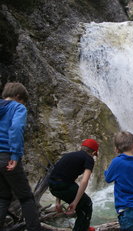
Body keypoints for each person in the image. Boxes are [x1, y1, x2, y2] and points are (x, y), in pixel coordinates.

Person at [0, 82, 42, 230]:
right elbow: (16, 127)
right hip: (7, 155)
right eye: (24, 101)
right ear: (18, 97)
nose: (24, 104)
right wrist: (15, 155)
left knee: (3, 196)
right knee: (26, 197)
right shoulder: (18, 107)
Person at [48, 139, 99, 231]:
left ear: (81, 148)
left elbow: (58, 176)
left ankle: (84, 227)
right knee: (87, 204)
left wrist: (58, 202)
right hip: (64, 186)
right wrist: (75, 202)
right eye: (94, 155)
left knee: (81, 204)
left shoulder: (69, 156)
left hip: (52, 186)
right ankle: (83, 229)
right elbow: (84, 181)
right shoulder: (89, 158)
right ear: (93, 152)